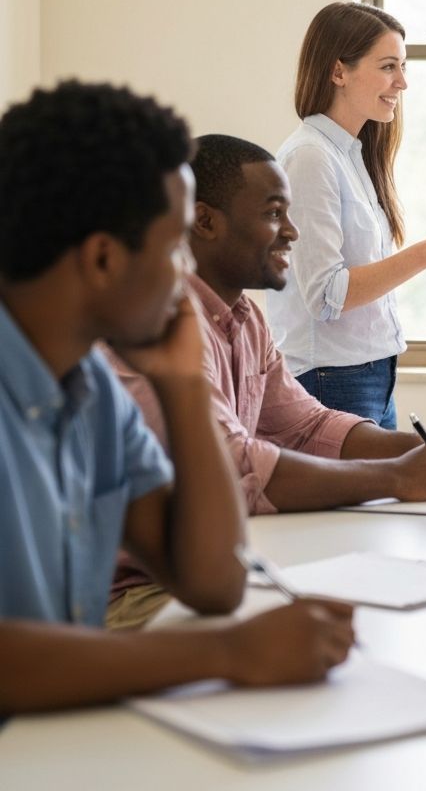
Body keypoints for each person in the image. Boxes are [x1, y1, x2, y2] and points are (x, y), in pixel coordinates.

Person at [0, 82, 353, 715]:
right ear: (104, 259)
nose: (182, 274)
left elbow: (213, 580)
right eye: (172, 248)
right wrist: (229, 653)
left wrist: (186, 385)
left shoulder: (92, 392)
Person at [107, 134, 426, 627]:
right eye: (274, 213)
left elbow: (307, 427)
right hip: (133, 595)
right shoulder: (157, 324)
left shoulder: (244, 319)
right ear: (205, 221)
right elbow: (233, 465)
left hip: (208, 570)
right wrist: (399, 476)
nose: (292, 232)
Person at [265, 2, 426, 427]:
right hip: (332, 380)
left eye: (403, 66)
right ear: (339, 72)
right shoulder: (309, 159)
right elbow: (327, 295)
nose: (403, 83)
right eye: (389, 66)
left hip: (370, 376)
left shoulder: (350, 155)